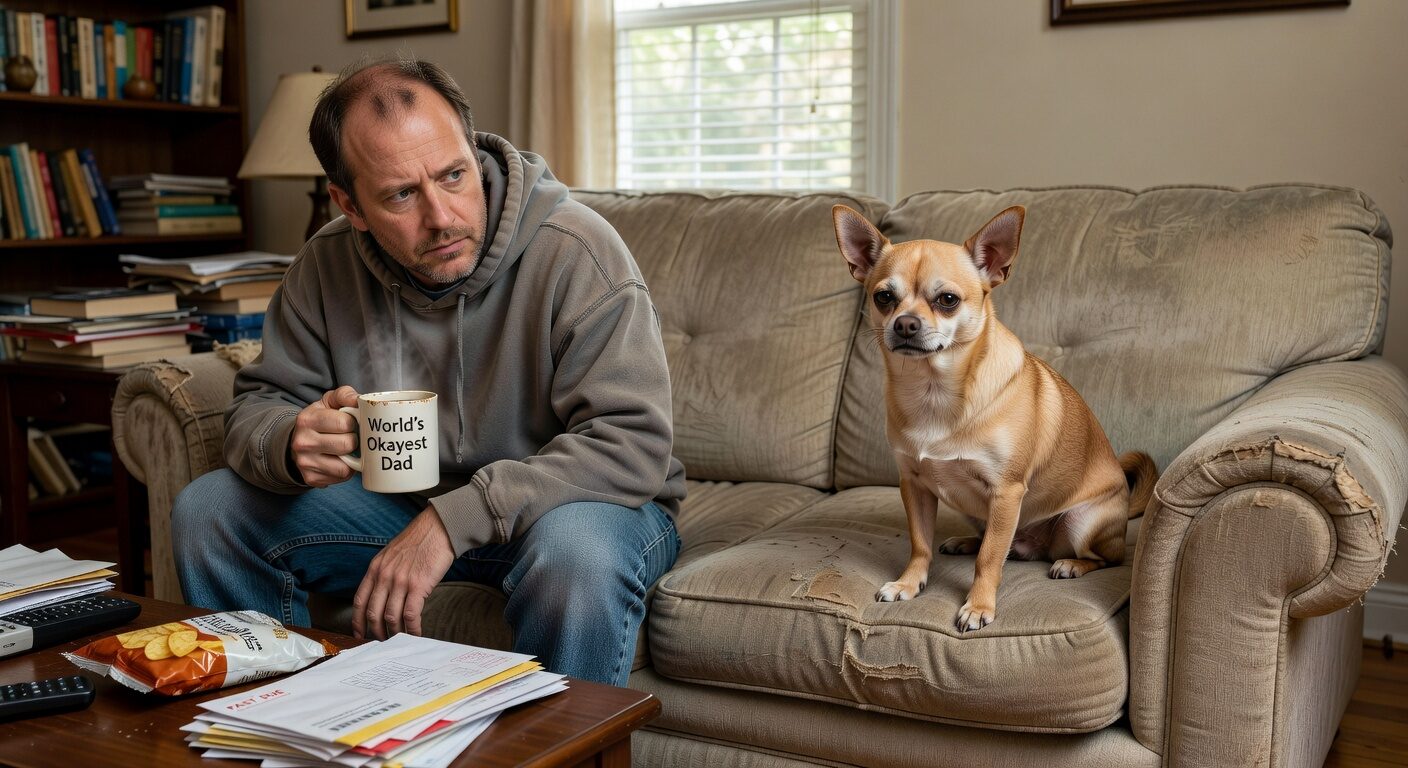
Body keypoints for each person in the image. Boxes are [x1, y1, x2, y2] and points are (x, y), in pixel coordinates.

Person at [170, 56, 686, 687]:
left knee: (572, 556)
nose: (441, 217)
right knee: (211, 508)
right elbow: (260, 405)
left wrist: (453, 519)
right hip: (398, 509)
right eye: (401, 195)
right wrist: (286, 438)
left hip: (578, 509)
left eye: (453, 175)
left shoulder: (576, 250)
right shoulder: (324, 265)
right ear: (349, 204)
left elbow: (633, 444)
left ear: (473, 150)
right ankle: (279, 729)